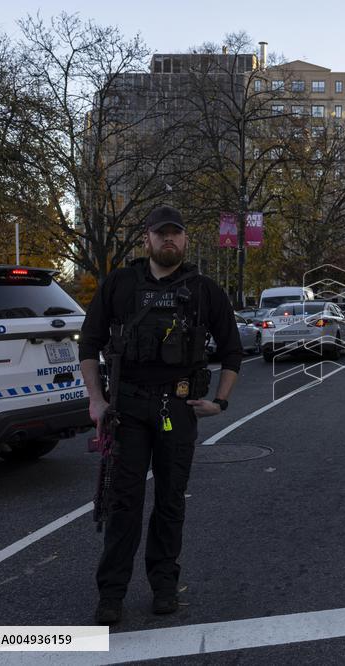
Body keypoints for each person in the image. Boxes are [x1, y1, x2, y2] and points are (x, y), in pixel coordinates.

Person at [79, 205, 243, 625]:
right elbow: (89, 343)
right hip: (128, 408)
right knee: (123, 503)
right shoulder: (119, 283)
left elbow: (231, 351)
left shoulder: (205, 290)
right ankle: (111, 595)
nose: (168, 240)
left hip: (179, 407)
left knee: (170, 502)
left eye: (176, 233)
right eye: (160, 233)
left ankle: (164, 586)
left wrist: (220, 403)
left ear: (186, 241)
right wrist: (97, 401)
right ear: (147, 240)